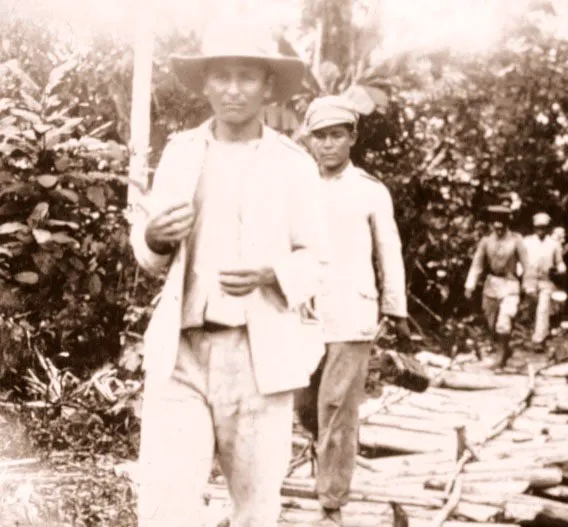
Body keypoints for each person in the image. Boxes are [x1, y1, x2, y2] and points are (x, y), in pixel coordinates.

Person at [129, 17, 327, 527]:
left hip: (258, 357)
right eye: (221, 75)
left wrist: (272, 273)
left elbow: (319, 261)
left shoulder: (294, 165)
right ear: (205, 83)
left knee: (255, 508)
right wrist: (153, 239)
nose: (232, 89)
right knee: (165, 503)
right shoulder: (180, 153)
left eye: (246, 76)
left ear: (267, 87)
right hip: (183, 352)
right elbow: (151, 251)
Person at [294, 95, 412, 527]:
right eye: (320, 136)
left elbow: (390, 252)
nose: (327, 145)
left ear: (352, 138)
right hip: (301, 312)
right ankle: (325, 466)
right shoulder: (297, 186)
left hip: (351, 313)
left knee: (338, 407)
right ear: (309, 139)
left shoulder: (370, 191)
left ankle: (331, 504)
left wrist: (395, 309)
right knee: (305, 404)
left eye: (336, 135)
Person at [464, 205, 529, 370]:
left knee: (504, 322)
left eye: (501, 223)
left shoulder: (516, 240)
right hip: (491, 285)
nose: (498, 227)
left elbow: (527, 265)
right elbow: (477, 264)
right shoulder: (486, 241)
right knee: (491, 324)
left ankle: (500, 358)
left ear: (507, 223)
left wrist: (528, 285)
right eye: (495, 223)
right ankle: (505, 348)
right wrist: (470, 285)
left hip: (510, 284)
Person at [522, 212, 566, 347]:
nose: (540, 230)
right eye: (538, 227)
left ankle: (539, 339)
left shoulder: (554, 244)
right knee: (531, 305)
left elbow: (559, 261)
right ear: (534, 228)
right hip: (530, 279)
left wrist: (561, 268)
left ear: (548, 228)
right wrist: (519, 269)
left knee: (543, 307)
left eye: (544, 227)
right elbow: (520, 258)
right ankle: (532, 330)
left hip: (546, 280)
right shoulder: (527, 241)